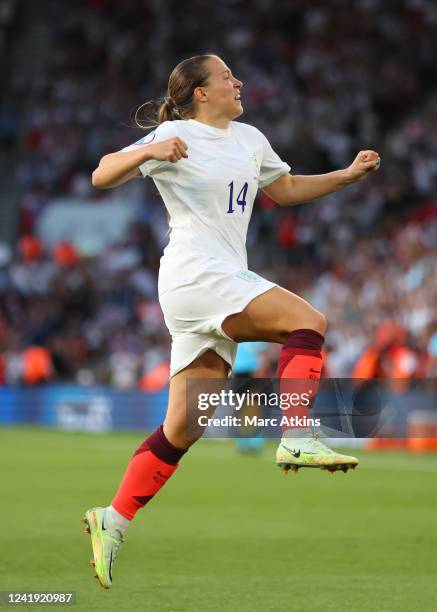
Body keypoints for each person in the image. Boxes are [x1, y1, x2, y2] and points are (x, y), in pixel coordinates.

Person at [83, 54, 381, 588]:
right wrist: (150, 149)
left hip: (213, 283)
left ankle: (113, 519)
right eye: (225, 77)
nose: (237, 81)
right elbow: (102, 173)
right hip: (197, 274)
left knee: (183, 428)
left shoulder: (249, 139)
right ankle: (297, 434)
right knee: (306, 321)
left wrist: (347, 176)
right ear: (200, 92)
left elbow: (284, 191)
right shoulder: (174, 133)